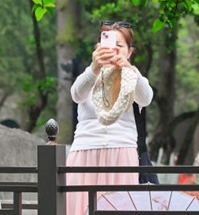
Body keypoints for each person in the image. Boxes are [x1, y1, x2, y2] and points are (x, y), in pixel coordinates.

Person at [66, 21, 153, 215]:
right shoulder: (90, 74)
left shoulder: (132, 76)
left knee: (120, 208)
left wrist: (128, 69)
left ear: (130, 52)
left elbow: (146, 98)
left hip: (121, 151)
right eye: (108, 45)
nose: (114, 50)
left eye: (120, 46)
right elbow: (76, 95)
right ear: (98, 47)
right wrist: (94, 68)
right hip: (85, 151)